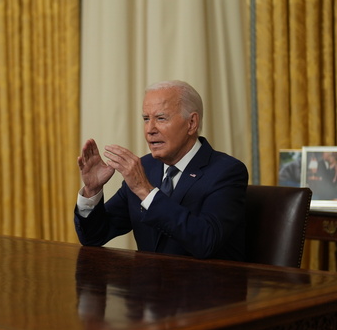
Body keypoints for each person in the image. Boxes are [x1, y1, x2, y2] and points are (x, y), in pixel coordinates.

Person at [74, 80, 248, 260]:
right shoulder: (145, 167)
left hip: (203, 285)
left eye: (161, 118)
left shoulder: (226, 171)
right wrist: (92, 191)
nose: (150, 130)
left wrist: (145, 191)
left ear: (192, 123)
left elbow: (206, 242)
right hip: (147, 285)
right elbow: (94, 236)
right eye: (146, 119)